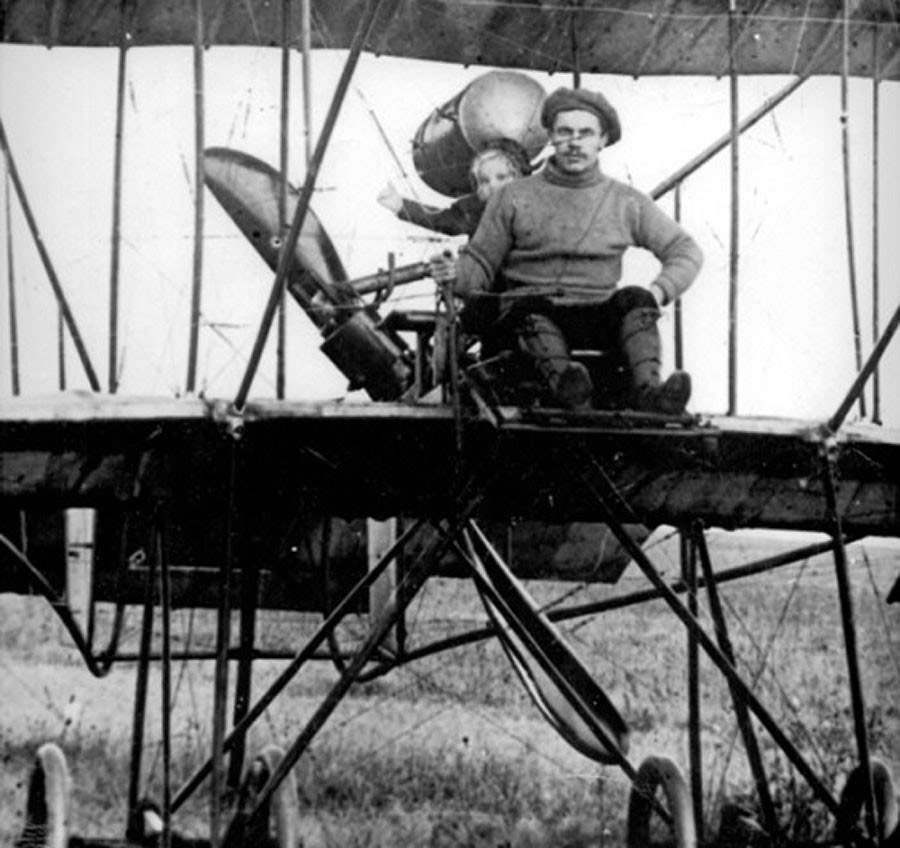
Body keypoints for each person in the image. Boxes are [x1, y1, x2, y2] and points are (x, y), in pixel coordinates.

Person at [433, 87, 703, 414]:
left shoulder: (626, 201)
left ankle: (651, 394)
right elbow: (479, 265)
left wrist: (660, 292)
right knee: (527, 305)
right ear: (551, 136)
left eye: (586, 133)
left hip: (598, 320)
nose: (575, 142)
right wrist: (453, 273)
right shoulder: (512, 197)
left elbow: (686, 251)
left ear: (603, 140)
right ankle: (568, 390)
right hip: (531, 319)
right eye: (565, 132)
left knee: (636, 298)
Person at [377, 138, 532, 238]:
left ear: (520, 177)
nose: (493, 185)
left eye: (502, 177)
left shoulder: (538, 205)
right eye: (484, 181)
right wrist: (401, 205)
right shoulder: (474, 211)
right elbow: (441, 220)